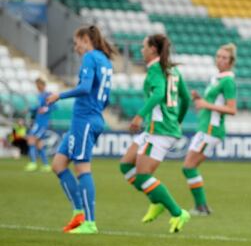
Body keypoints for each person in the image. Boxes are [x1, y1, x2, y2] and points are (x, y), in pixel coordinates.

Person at [118, 34, 192, 233]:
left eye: (143, 47)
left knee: (143, 177)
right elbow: (186, 98)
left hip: (160, 130)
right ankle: (156, 200)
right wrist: (178, 121)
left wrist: (139, 115)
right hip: (157, 128)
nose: (141, 50)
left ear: (152, 49)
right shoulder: (172, 70)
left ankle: (177, 213)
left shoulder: (155, 70)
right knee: (126, 165)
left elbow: (159, 93)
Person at [47, 25, 114, 234]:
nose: (76, 48)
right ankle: (78, 213)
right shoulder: (105, 61)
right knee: (58, 164)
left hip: (84, 120)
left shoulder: (90, 57)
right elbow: (107, 98)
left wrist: (60, 95)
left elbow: (85, 88)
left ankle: (90, 222)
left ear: (86, 39)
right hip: (87, 119)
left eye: (77, 43)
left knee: (82, 168)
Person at [182, 43, 238, 216]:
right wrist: (200, 98)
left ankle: (201, 207)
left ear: (231, 62)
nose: (220, 60)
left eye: (224, 58)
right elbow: (213, 103)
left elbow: (232, 109)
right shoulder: (217, 78)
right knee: (190, 167)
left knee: (188, 166)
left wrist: (205, 104)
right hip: (205, 128)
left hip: (211, 130)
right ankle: (202, 206)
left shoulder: (228, 81)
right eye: (218, 56)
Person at [25, 78, 56, 172]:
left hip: (42, 123)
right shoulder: (39, 96)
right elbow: (38, 108)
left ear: (42, 85)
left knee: (31, 138)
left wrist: (45, 109)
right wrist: (30, 109)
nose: (37, 87)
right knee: (39, 144)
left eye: (38, 85)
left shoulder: (48, 94)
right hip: (38, 122)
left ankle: (33, 163)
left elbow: (54, 106)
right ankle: (46, 165)